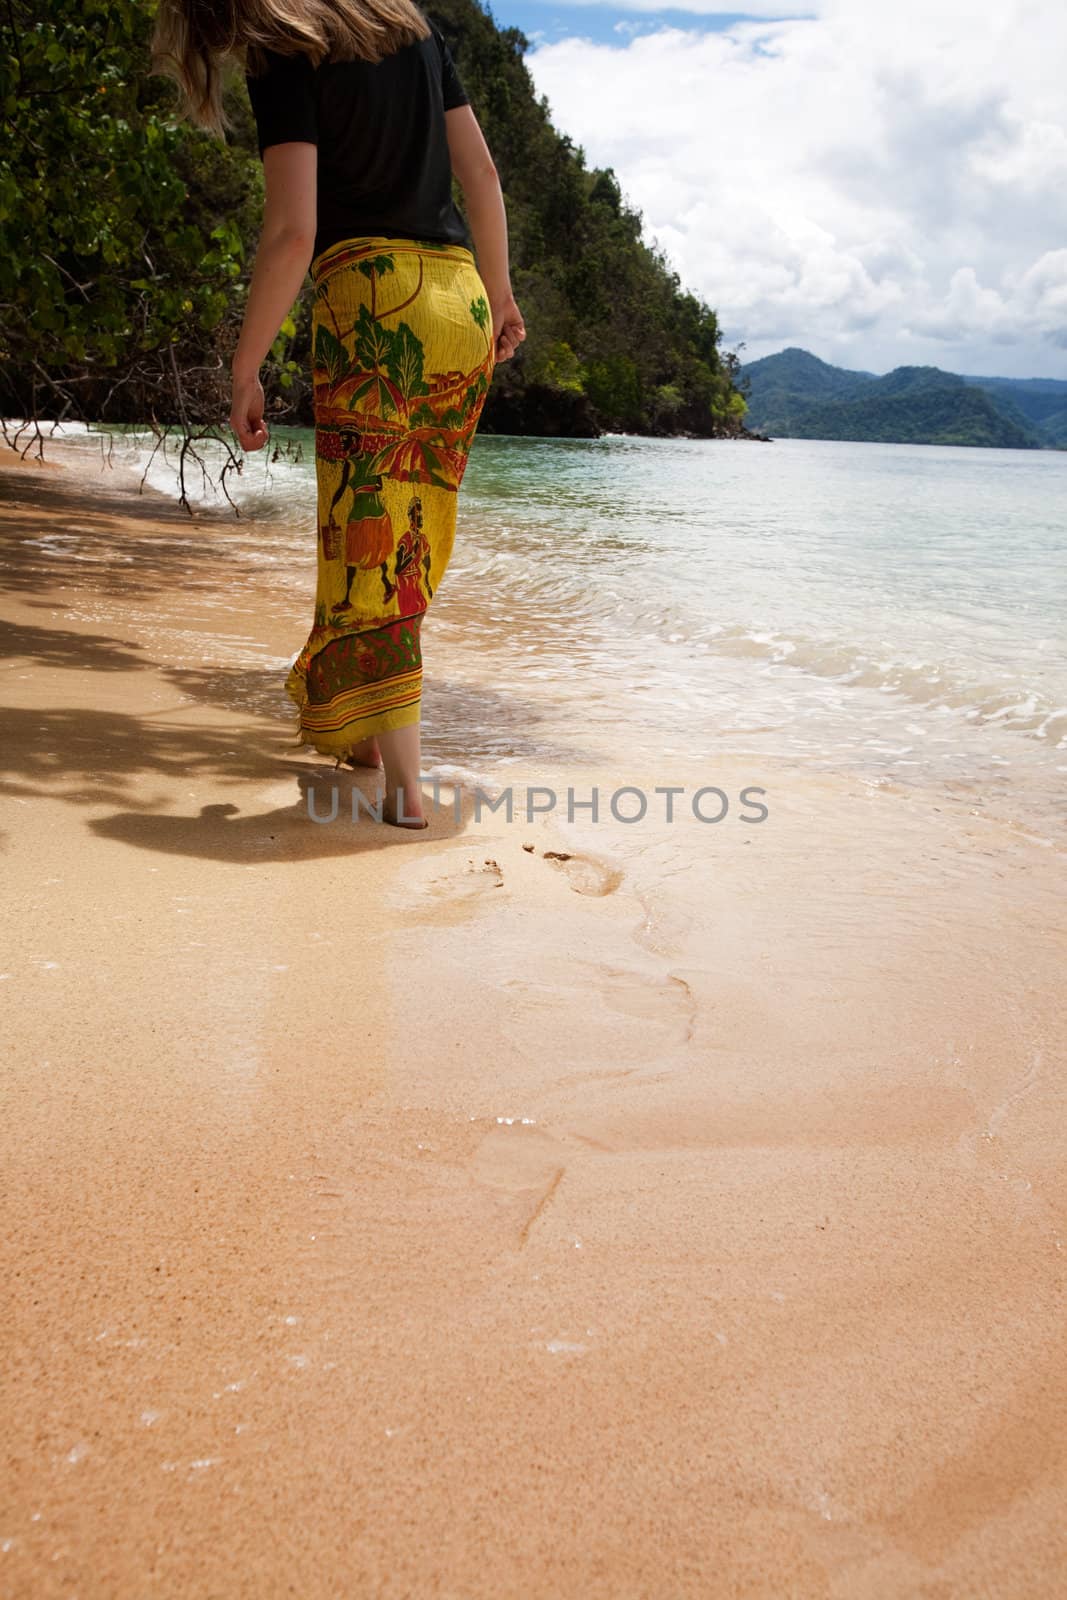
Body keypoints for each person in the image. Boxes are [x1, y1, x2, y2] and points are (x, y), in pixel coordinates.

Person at [151, 0, 525, 829]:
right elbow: (484, 177)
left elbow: (293, 232)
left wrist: (246, 367)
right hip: (459, 299)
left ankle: (405, 791)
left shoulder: (285, 48)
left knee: (365, 535)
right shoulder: (411, 24)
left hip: (373, 304)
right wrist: (498, 294)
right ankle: (364, 735)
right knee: (417, 527)